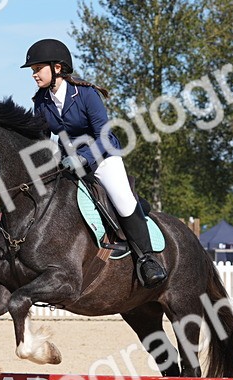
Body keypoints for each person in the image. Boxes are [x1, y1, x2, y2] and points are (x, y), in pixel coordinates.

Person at [21, 38, 166, 287]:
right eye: (33, 70)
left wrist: (84, 158)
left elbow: (105, 135)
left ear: (57, 68)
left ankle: (147, 259)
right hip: (68, 163)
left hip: (102, 158)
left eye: (38, 69)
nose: (34, 74)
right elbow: (42, 140)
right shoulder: (41, 101)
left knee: (123, 201)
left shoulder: (86, 94)